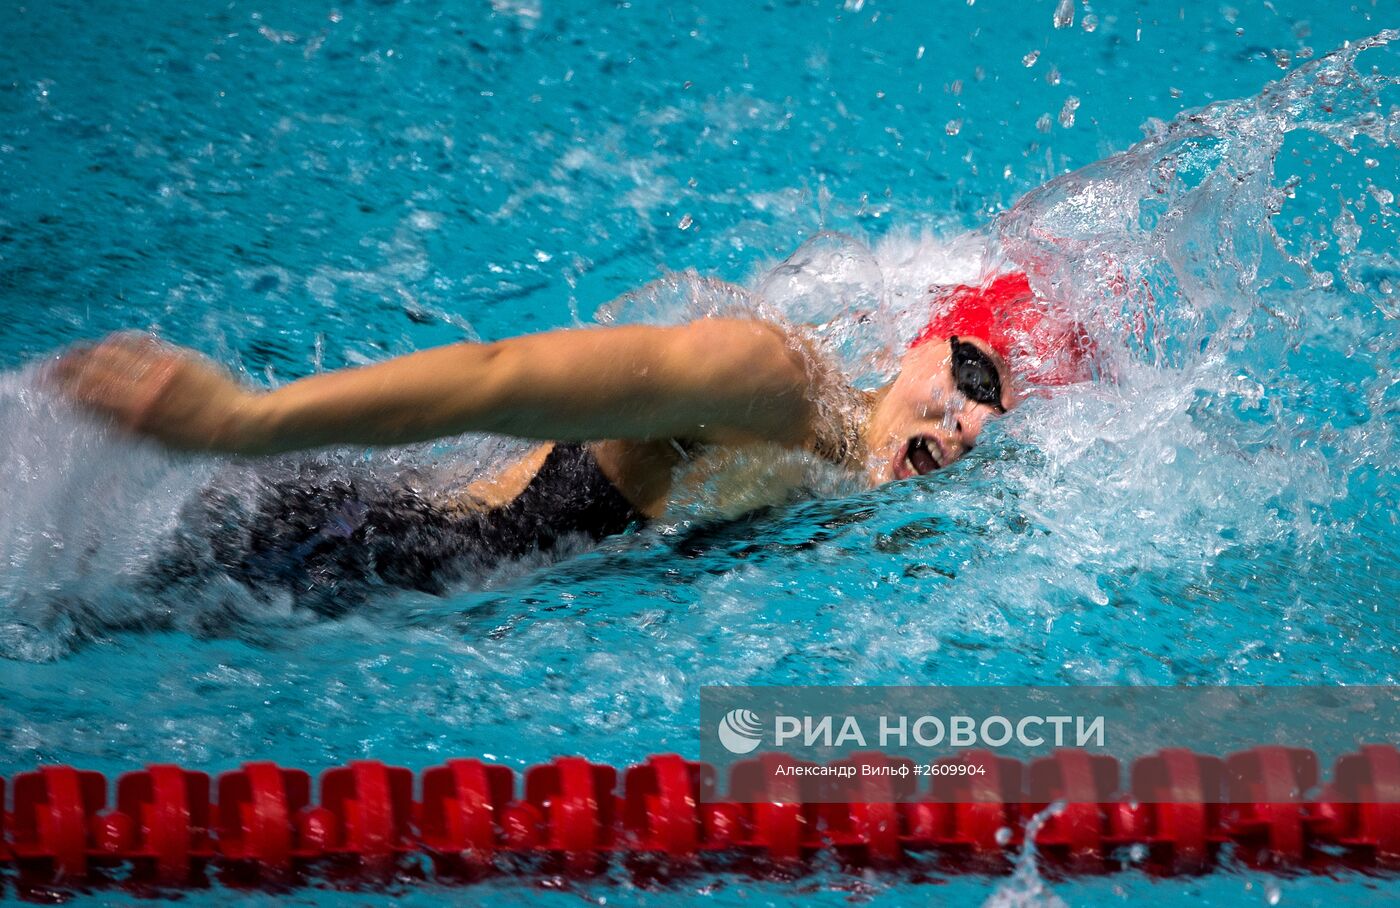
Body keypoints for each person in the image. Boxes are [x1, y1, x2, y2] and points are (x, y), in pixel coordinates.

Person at [49, 269, 1093, 612]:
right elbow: (496, 379)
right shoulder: (768, 381)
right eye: (975, 377)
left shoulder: (861, 487)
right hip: (330, 550)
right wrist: (238, 421)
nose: (972, 420)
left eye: (1000, 423)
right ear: (926, 341)